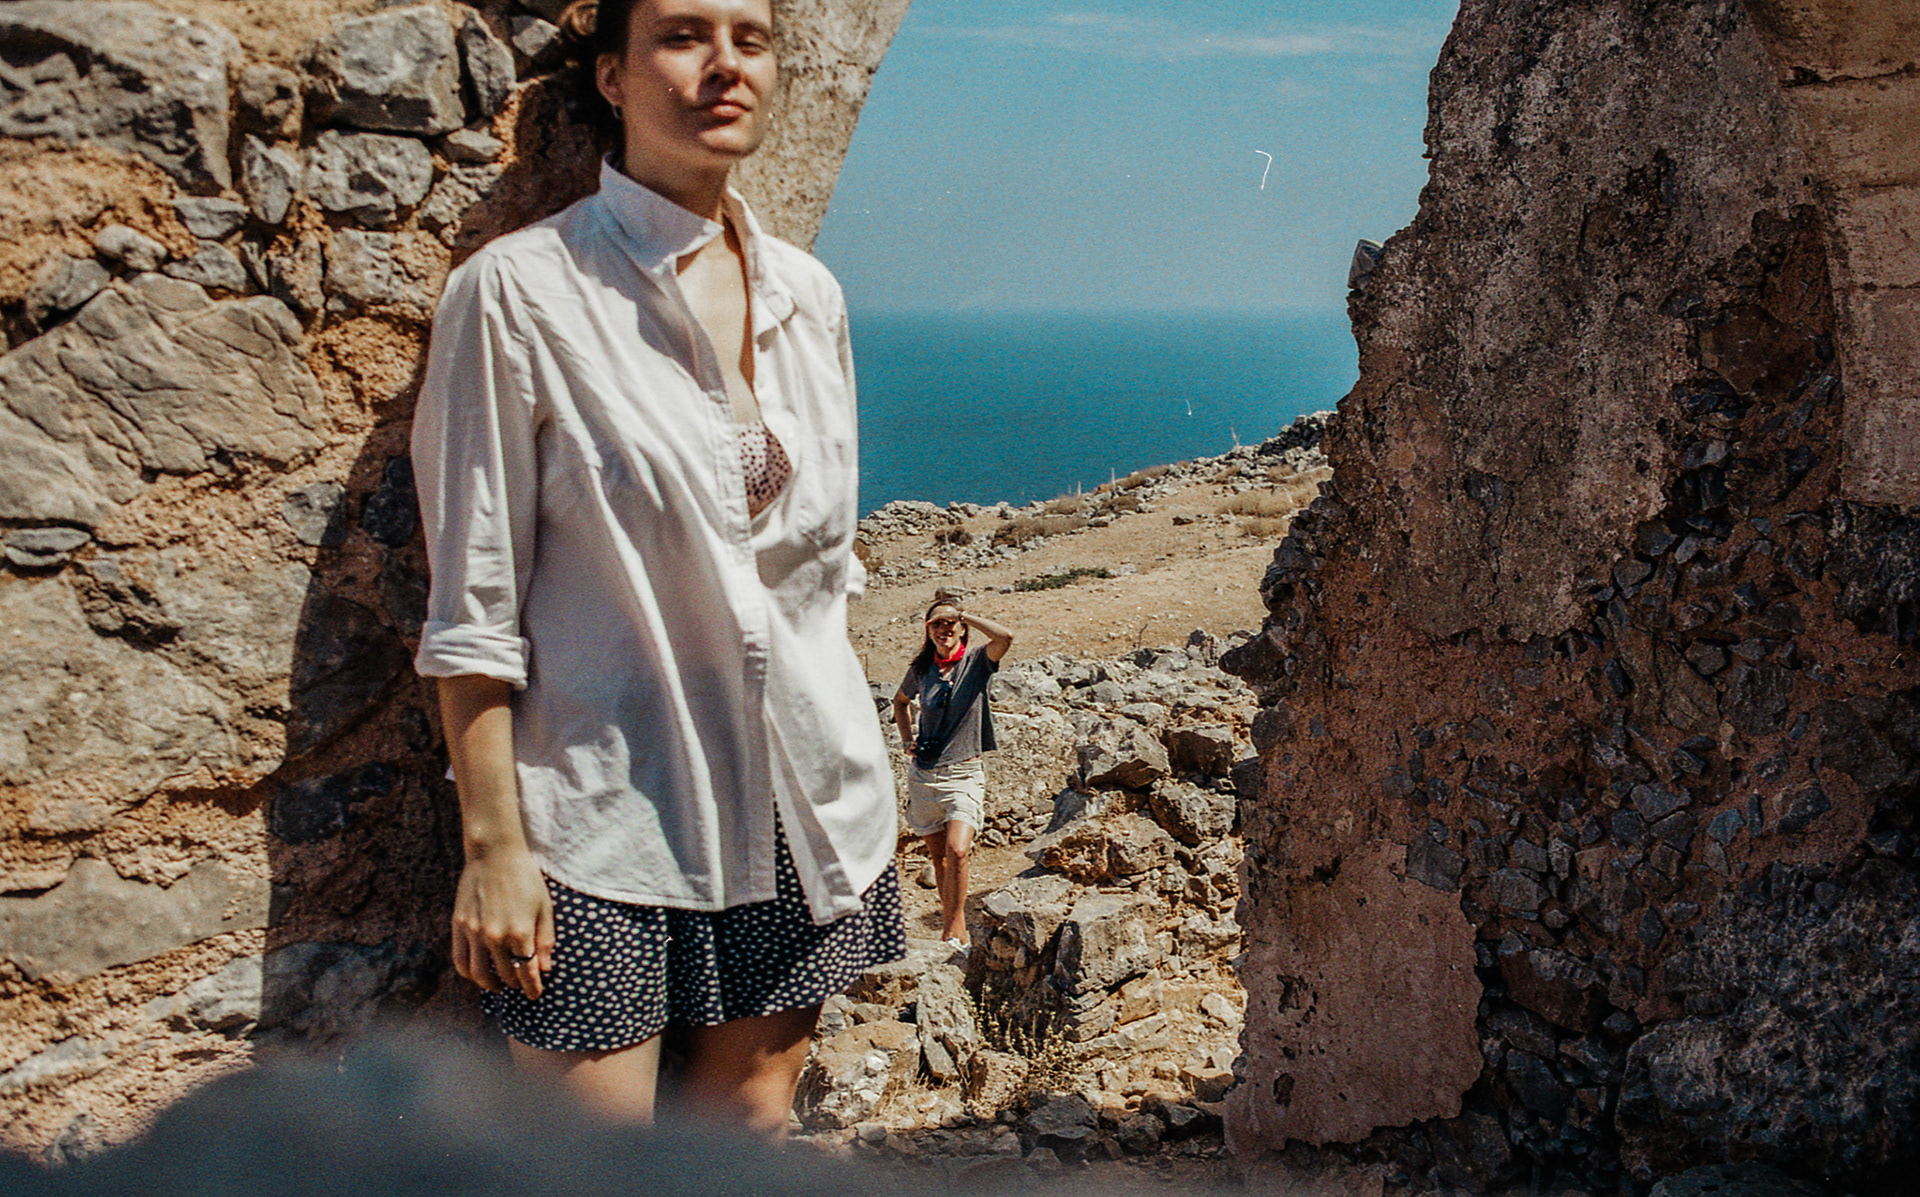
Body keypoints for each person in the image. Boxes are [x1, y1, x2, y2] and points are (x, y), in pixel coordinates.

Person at [409, 0, 903, 1137]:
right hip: (601, 821)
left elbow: (816, 575)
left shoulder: (810, 298)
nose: (725, 65)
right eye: (683, 36)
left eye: (750, 39)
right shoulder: (520, 293)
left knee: (750, 1130)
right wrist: (494, 848)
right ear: (612, 77)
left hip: (801, 793)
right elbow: (472, 603)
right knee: (589, 1162)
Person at [891, 599, 1014, 954]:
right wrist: (907, 740)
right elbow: (900, 702)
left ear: (962, 627)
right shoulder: (922, 668)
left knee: (958, 850)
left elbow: (1005, 637)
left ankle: (953, 925)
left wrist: (965, 615)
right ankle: (952, 934)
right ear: (927, 630)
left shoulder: (976, 661)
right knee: (940, 859)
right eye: (936, 624)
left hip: (963, 771)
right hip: (925, 774)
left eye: (950, 623)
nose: (944, 629)